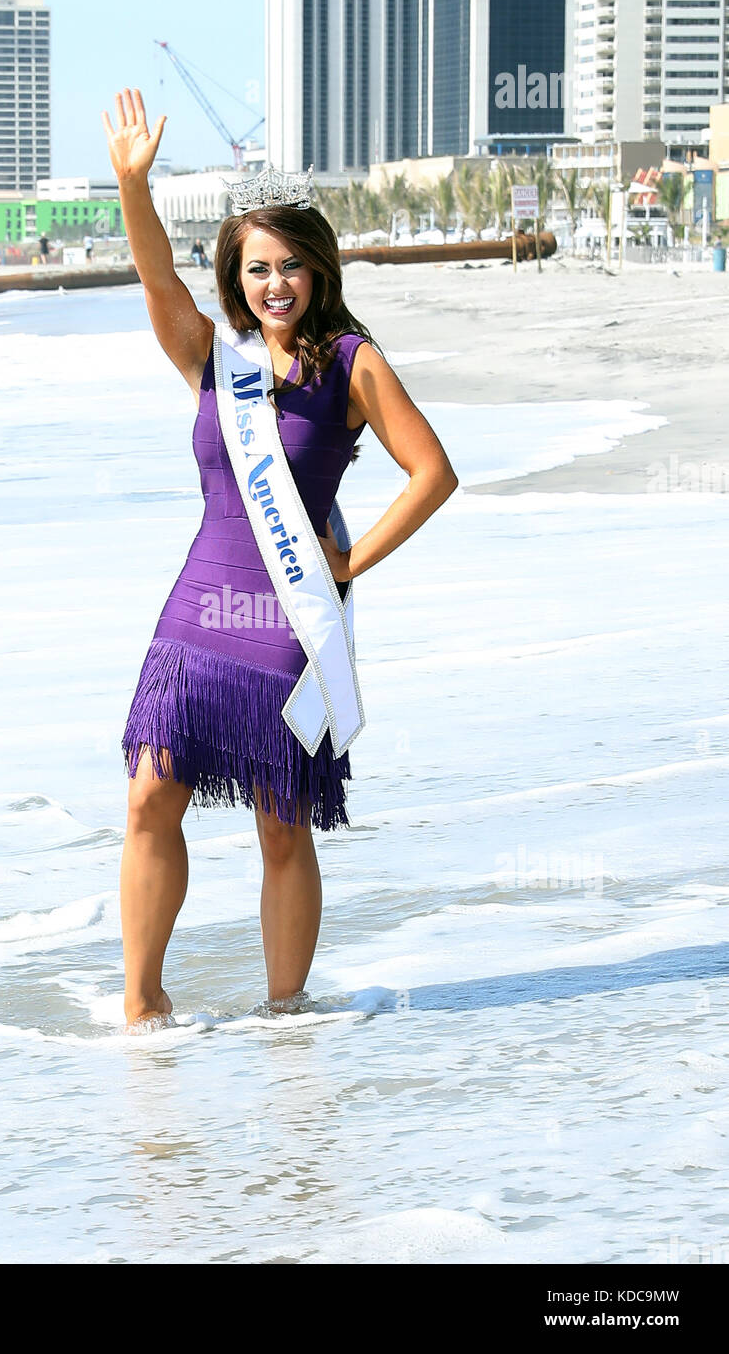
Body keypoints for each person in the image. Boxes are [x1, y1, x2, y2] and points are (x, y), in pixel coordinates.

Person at [102, 87, 458, 1033]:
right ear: (237, 279)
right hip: (197, 611)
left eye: (291, 266)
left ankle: (285, 1014)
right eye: (259, 270)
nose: (276, 285)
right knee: (148, 799)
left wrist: (349, 569)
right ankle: (142, 1008)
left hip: (284, 622)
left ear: (318, 268)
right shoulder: (216, 363)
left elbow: (432, 474)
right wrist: (133, 185)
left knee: (279, 823)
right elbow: (154, 283)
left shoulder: (352, 364)